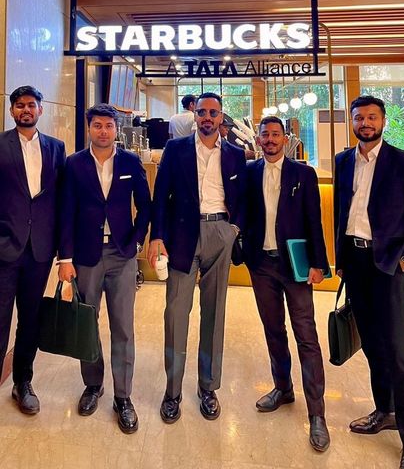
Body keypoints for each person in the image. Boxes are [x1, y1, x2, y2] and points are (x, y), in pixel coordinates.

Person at [148, 92, 246, 423]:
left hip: (220, 232)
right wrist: (157, 236)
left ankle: (208, 387)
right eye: (202, 112)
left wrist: (234, 229)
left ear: (221, 117)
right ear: (195, 116)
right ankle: (172, 391)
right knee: (176, 314)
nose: (207, 117)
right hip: (181, 236)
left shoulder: (235, 154)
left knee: (214, 313)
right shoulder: (175, 149)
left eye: (213, 113)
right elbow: (160, 195)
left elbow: (243, 197)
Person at [334, 95, 404, 469]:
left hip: (389, 265)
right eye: (359, 117)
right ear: (352, 122)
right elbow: (342, 212)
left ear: (383, 121)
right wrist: (341, 261)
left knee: (399, 350)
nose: (365, 123)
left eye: (372, 117)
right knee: (371, 344)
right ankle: (384, 410)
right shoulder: (343, 161)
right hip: (356, 265)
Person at [58, 103, 151, 434]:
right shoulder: (74, 164)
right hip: (86, 255)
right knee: (87, 323)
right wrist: (65, 259)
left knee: (123, 327)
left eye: (108, 126)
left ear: (116, 129)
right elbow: (65, 212)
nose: (103, 131)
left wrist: (136, 242)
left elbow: (145, 206)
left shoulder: (130, 162)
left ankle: (123, 397)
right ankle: (93, 385)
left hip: (122, 254)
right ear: (89, 128)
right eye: (97, 125)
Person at [243, 116, 330, 452]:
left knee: (306, 335)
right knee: (273, 330)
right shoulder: (250, 172)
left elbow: (314, 220)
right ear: (258, 140)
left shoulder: (303, 174)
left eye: (275, 134)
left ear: (285, 138)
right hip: (261, 264)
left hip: (295, 265)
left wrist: (319, 264)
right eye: (265, 134)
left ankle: (317, 414)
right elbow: (243, 214)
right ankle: (283, 387)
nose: (270, 139)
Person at [0, 85, 66, 415]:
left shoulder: (56, 148)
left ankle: (22, 383)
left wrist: (63, 251)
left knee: (30, 319)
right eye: (19, 105)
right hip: (4, 249)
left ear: (41, 109)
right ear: (12, 110)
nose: (25, 110)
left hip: (40, 250)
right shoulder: (1, 145)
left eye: (31, 105)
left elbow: (61, 200)